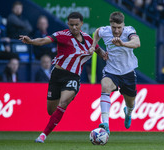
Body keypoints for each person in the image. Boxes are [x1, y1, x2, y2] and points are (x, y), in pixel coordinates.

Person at [19, 12, 107, 143]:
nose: (74, 28)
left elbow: (100, 52)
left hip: (73, 77)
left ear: (81, 24)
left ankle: (43, 135)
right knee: (51, 111)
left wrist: (107, 55)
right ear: (68, 24)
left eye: (77, 25)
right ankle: (50, 124)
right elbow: (44, 40)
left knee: (63, 103)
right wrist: (31, 41)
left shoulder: (89, 39)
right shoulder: (62, 35)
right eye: (71, 25)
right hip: (57, 75)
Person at [89, 11, 141, 135]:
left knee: (130, 102)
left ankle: (128, 113)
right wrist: (94, 45)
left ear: (123, 25)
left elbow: (137, 43)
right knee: (105, 86)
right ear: (110, 25)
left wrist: (123, 44)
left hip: (128, 72)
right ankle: (105, 124)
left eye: (119, 27)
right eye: (114, 27)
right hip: (111, 71)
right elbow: (97, 32)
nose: (117, 30)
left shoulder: (129, 31)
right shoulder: (105, 31)